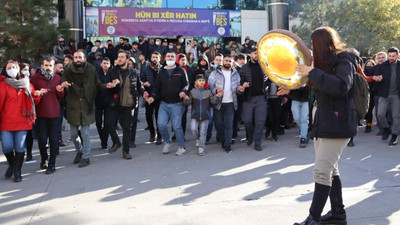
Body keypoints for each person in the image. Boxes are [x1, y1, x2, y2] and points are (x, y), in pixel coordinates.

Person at [283, 27, 358, 225]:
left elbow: (341, 86)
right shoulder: (326, 63)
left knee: (322, 171)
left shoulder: (345, 59)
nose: (311, 49)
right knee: (331, 170)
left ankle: (313, 218)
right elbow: (319, 85)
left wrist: (313, 71)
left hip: (338, 121)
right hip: (325, 118)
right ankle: (338, 213)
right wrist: (290, 89)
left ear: (323, 43)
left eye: (313, 44)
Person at [58, 51, 116, 167]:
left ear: (84, 59)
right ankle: (80, 151)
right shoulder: (68, 70)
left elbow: (98, 85)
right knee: (74, 134)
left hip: (87, 105)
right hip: (73, 106)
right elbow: (63, 86)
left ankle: (86, 157)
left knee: (85, 133)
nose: (78, 59)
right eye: (75, 57)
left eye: (80, 57)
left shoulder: (91, 69)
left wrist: (107, 86)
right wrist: (63, 87)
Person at [0, 60, 41, 182]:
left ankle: (17, 172)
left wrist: (38, 94)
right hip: (6, 122)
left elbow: (34, 98)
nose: (12, 69)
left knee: (19, 147)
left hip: (23, 121)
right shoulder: (2, 84)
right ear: (5, 70)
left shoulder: (26, 83)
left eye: (14, 67)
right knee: (7, 147)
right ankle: (12, 165)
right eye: (9, 67)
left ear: (19, 69)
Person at [106, 50, 148, 159]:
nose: (119, 59)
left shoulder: (134, 72)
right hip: (115, 103)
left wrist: (144, 93)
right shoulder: (112, 72)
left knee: (127, 128)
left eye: (122, 57)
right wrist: (110, 85)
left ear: (127, 60)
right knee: (109, 123)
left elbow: (139, 86)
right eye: (118, 57)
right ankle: (116, 142)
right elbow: (106, 85)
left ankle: (126, 151)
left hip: (129, 104)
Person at [147, 51, 189, 156]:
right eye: (168, 56)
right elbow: (156, 87)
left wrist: (183, 91)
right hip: (164, 103)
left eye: (172, 56)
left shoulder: (181, 70)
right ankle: (167, 142)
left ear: (175, 59)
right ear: (165, 58)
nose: (170, 58)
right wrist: (152, 96)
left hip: (177, 103)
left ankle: (181, 146)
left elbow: (186, 84)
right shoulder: (162, 72)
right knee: (161, 124)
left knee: (176, 126)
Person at [30, 56, 64, 174]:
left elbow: (61, 96)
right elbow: (31, 92)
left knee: (54, 140)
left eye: (50, 65)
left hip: (54, 113)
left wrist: (60, 90)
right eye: (46, 65)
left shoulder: (58, 78)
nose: (48, 68)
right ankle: (44, 158)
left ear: (53, 66)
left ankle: (52, 163)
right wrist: (37, 93)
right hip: (40, 114)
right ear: (42, 65)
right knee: (42, 140)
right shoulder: (34, 78)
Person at [208, 55, 242, 153]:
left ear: (232, 63)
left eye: (230, 61)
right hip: (218, 103)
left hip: (230, 103)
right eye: (226, 60)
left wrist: (240, 90)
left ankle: (227, 144)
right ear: (223, 62)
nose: (228, 62)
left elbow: (238, 89)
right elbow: (210, 86)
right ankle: (222, 139)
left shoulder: (236, 74)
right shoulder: (215, 73)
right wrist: (216, 91)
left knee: (229, 125)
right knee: (218, 124)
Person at [239, 48, 269, 151]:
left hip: (262, 98)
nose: (257, 55)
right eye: (255, 53)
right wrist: (243, 86)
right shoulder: (244, 68)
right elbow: (239, 85)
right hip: (248, 98)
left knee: (260, 122)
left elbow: (270, 80)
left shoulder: (265, 67)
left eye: (259, 53)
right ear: (250, 54)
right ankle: (250, 134)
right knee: (247, 120)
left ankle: (257, 142)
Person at [184, 74, 222, 155]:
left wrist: (217, 96)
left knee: (203, 132)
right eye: (200, 80)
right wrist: (186, 99)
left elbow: (213, 102)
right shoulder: (192, 92)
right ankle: (197, 139)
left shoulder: (208, 92)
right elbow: (188, 103)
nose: (201, 82)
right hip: (195, 115)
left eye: (203, 80)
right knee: (193, 129)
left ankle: (201, 148)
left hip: (205, 115)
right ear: (196, 82)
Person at [372, 47, 400, 146]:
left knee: (396, 116)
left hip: (396, 95)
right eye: (390, 56)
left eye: (393, 56)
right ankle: (387, 129)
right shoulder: (383, 65)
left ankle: (394, 135)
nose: (391, 58)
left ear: (397, 55)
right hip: (383, 94)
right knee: (380, 114)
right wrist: (377, 78)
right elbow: (375, 76)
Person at [141, 51, 162, 144]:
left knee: (159, 117)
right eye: (153, 57)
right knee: (149, 116)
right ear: (150, 58)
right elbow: (140, 81)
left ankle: (159, 135)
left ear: (160, 59)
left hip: (160, 96)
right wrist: (144, 83)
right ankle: (152, 133)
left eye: (157, 57)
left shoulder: (163, 69)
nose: (155, 59)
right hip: (149, 96)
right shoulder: (145, 69)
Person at [95, 57, 111, 150]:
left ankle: (104, 142)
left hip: (109, 102)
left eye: (107, 63)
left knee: (107, 123)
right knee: (98, 122)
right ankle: (103, 138)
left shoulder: (112, 73)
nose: (105, 65)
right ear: (101, 64)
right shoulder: (96, 74)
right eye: (104, 63)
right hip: (98, 101)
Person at [20, 63, 34, 161]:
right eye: (24, 69)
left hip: (28, 113)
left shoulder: (29, 82)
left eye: (27, 69)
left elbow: (33, 94)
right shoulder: (14, 82)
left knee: (29, 135)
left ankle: (29, 153)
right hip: (17, 112)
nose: (26, 71)